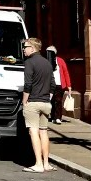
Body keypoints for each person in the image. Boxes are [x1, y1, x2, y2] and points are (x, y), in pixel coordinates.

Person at [21, 37, 54, 173]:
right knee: (44, 132)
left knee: (33, 131)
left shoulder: (29, 62)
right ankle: (46, 163)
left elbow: (27, 84)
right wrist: (48, 97)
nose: (24, 49)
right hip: (46, 102)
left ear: (33, 48)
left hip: (33, 102)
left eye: (26, 47)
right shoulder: (47, 63)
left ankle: (38, 164)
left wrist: (24, 101)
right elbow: (53, 84)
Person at [46, 46, 72, 125]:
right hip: (49, 84)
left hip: (60, 84)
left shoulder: (60, 61)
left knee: (58, 101)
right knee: (52, 101)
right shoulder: (46, 61)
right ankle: (53, 116)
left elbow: (65, 72)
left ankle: (57, 117)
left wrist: (69, 86)